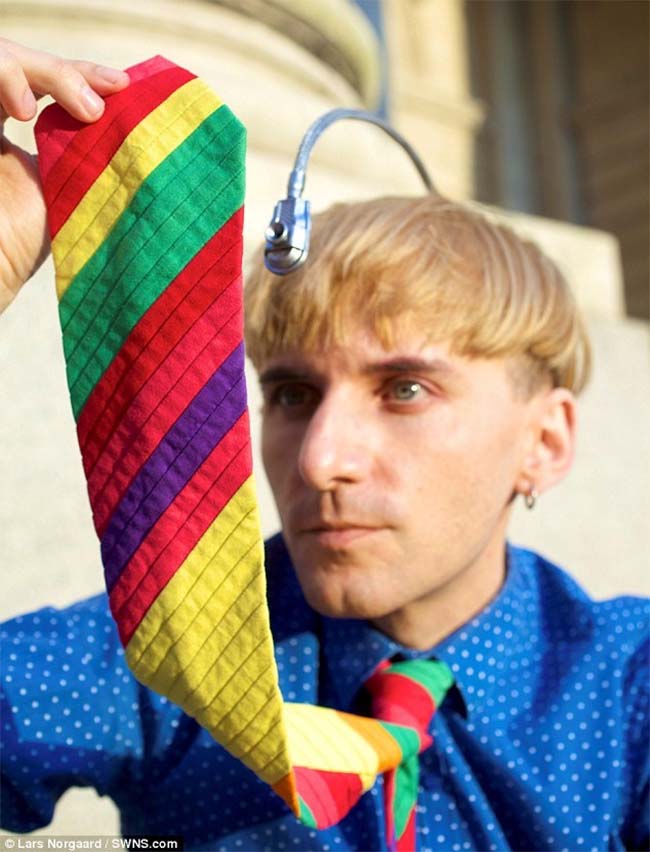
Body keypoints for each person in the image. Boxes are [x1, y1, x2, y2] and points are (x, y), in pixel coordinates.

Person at [1, 39, 648, 852]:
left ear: (544, 443)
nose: (318, 460)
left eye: (404, 390)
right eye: (291, 395)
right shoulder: (174, 648)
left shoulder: (626, 689)